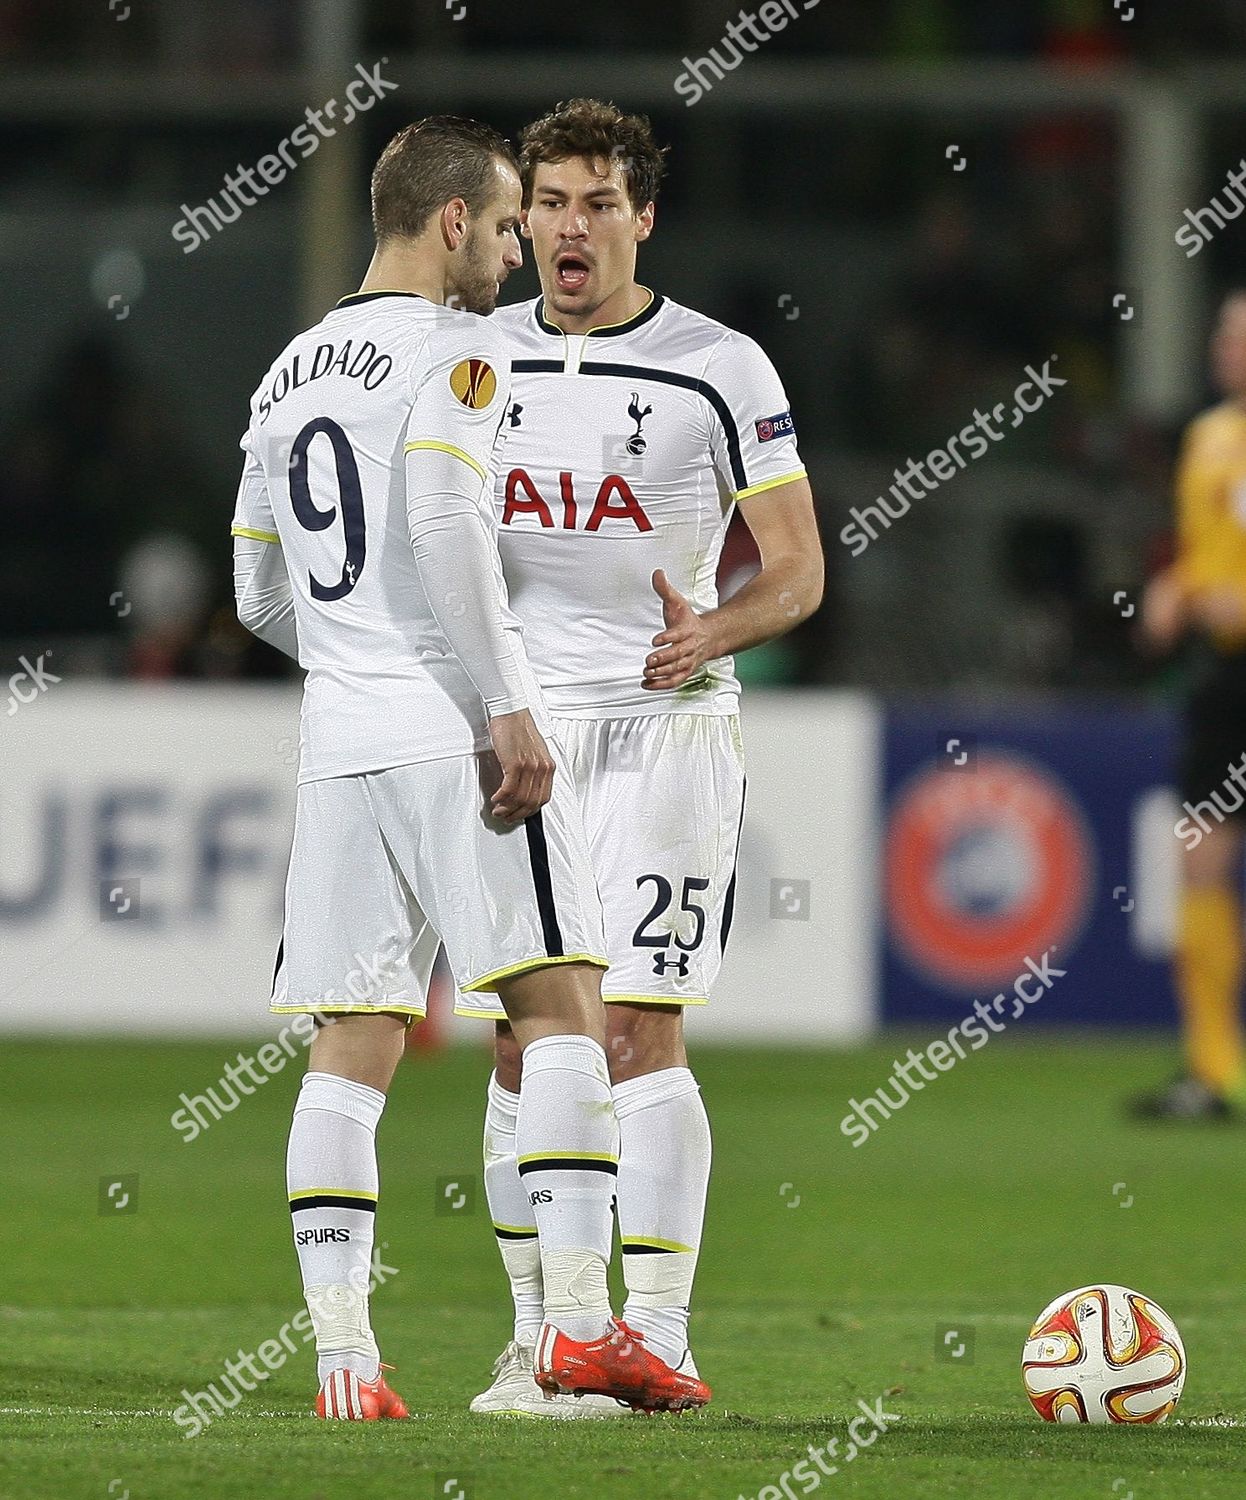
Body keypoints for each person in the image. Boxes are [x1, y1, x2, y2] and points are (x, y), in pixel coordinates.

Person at [231, 114, 710, 1419]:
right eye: (507, 222)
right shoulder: (460, 352)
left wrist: (351, 656)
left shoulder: (286, 374)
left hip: (340, 747)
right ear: (451, 222)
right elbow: (443, 514)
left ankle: (343, 1362)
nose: (519, 247)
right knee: (559, 1006)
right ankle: (571, 1330)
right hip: (453, 730)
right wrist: (501, 703)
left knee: (350, 1045)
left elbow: (257, 590)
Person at [462, 98, 823, 1416]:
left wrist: (708, 630)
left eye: (595, 204)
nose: (568, 228)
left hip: (666, 731)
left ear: (641, 217)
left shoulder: (718, 367)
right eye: (547, 203)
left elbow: (796, 570)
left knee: (633, 1028)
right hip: (519, 740)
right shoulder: (473, 356)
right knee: (522, 1045)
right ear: (521, 220)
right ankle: (544, 1344)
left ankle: (657, 1335)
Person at [1134, 289, 1246, 1121]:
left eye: (1240, 336)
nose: (1226, 347)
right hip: (1225, 679)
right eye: (1224, 330)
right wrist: (1176, 588)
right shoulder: (1209, 439)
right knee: (1197, 857)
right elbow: (1209, 557)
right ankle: (1212, 1070)